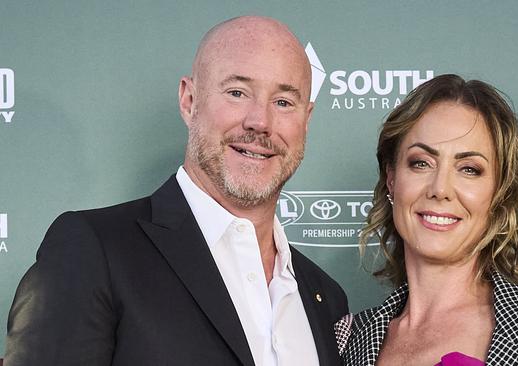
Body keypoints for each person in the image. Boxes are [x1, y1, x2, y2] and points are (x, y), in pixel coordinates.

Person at [5, 16, 348, 366]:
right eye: (237, 93)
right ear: (189, 100)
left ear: (306, 119)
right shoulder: (94, 249)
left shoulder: (326, 297)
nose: (259, 121)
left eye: (283, 102)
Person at [335, 74, 518, 365]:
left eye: (469, 169)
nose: (440, 189)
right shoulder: (348, 339)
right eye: (421, 163)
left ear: (499, 193)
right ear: (392, 179)